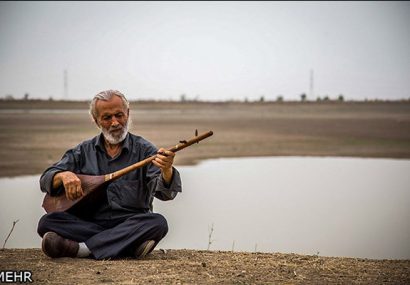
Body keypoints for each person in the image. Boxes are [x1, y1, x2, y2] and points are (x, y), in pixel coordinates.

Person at [37, 90, 182, 260]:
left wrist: (166, 170)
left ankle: (82, 249)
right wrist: (62, 176)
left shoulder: (145, 150)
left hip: (130, 223)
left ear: (128, 114)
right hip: (90, 224)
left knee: (157, 223)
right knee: (47, 222)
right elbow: (45, 179)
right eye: (107, 118)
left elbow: (166, 194)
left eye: (119, 115)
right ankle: (128, 245)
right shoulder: (83, 151)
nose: (115, 123)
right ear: (96, 121)